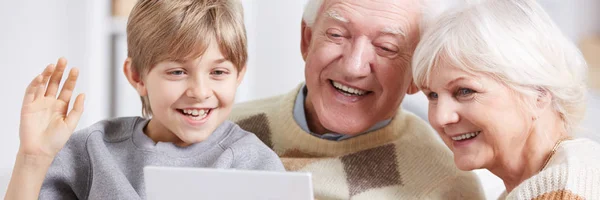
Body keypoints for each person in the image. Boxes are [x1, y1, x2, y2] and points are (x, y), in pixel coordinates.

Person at [5, 0, 284, 199]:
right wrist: (32, 158)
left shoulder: (253, 163)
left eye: (218, 72)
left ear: (239, 74)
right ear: (137, 75)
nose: (200, 91)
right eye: (177, 71)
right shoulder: (93, 149)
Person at [228, 0, 485, 199]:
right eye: (337, 35)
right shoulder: (220, 130)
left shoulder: (446, 185)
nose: (354, 66)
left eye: (386, 48)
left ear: (416, 75)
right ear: (307, 40)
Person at [412, 0, 600, 199]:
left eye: (465, 91)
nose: (441, 117)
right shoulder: (542, 185)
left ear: (538, 92)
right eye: (432, 95)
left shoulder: (567, 188)